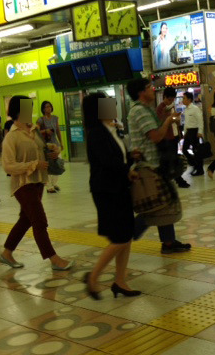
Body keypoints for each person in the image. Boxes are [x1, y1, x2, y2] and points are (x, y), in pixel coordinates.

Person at [0, 95, 73, 271]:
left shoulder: (34, 130)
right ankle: (54, 259)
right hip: (23, 185)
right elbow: (8, 166)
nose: (30, 111)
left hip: (38, 181)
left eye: (30, 107)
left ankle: (6, 253)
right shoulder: (11, 136)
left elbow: (41, 150)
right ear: (17, 111)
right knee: (39, 221)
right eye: (26, 108)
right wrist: (34, 165)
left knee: (26, 219)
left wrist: (52, 151)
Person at [83, 92, 141, 300]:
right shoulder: (97, 133)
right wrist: (128, 170)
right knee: (120, 237)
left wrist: (130, 158)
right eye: (108, 105)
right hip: (107, 190)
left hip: (119, 187)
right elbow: (108, 162)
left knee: (126, 236)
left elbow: (117, 157)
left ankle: (120, 280)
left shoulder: (112, 130)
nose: (113, 107)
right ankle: (93, 277)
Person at [126, 78, 191, 254]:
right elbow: (155, 136)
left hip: (154, 165)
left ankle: (169, 242)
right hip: (149, 167)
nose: (153, 90)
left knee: (163, 204)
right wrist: (169, 121)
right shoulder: (140, 111)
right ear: (141, 92)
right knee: (154, 208)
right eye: (149, 87)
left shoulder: (145, 109)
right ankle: (122, 239)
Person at [156, 87, 189, 188]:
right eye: (169, 99)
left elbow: (175, 121)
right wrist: (172, 118)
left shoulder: (172, 107)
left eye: (172, 99)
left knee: (173, 159)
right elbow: (161, 122)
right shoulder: (160, 108)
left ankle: (175, 179)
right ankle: (177, 180)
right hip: (166, 138)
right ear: (164, 97)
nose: (171, 101)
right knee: (170, 160)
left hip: (173, 136)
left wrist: (177, 120)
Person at [37, 101, 63, 194]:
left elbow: (58, 131)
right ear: (43, 109)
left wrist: (61, 142)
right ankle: (49, 186)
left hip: (55, 144)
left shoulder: (55, 118)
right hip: (47, 145)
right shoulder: (40, 120)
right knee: (49, 165)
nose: (48, 108)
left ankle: (54, 183)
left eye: (49, 106)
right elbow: (36, 131)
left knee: (58, 164)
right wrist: (45, 131)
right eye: (46, 107)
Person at [182, 91, 204, 176]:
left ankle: (199, 170)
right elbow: (186, 122)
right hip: (188, 132)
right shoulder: (186, 109)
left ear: (189, 99)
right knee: (184, 149)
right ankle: (194, 163)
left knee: (196, 151)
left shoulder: (195, 108)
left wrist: (200, 131)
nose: (183, 100)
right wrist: (185, 132)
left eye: (184, 98)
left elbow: (200, 120)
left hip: (195, 131)